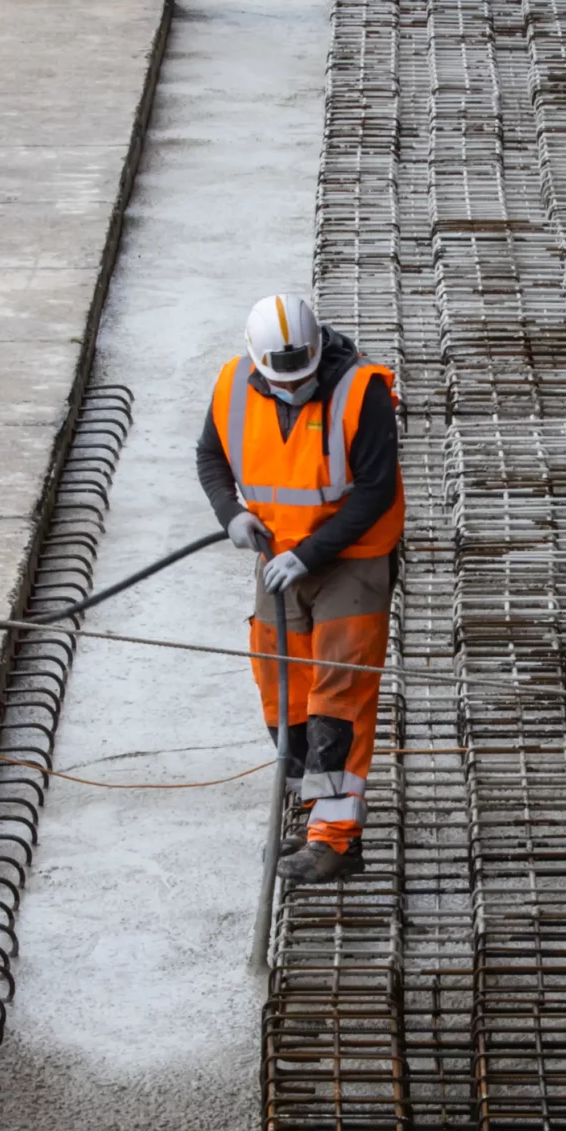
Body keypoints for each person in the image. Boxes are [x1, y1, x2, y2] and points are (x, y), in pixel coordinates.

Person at [197, 293, 402, 885]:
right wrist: (229, 514)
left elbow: (375, 490)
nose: (296, 387)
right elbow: (210, 457)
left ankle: (335, 841)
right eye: (283, 379)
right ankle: (314, 810)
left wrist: (309, 553)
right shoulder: (235, 384)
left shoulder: (361, 390)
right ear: (257, 363)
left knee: (338, 697)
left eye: (307, 375)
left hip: (351, 559)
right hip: (275, 557)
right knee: (280, 688)